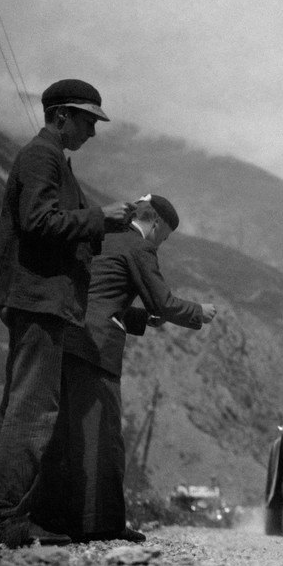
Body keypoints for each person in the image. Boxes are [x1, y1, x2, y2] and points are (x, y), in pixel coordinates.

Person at [0, 79, 133, 547]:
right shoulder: (42, 156)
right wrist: (100, 219)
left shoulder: (51, 158)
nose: (92, 130)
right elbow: (38, 221)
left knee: (23, 406)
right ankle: (4, 520)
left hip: (43, 301)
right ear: (62, 115)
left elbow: (49, 222)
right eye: (89, 120)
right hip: (39, 300)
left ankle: (7, 515)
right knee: (33, 409)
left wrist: (97, 227)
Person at [40, 194, 216, 543]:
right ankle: (101, 525)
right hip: (96, 348)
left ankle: (56, 519)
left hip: (68, 337)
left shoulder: (105, 238)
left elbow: (100, 295)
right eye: (163, 237)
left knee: (67, 435)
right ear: (156, 224)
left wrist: (138, 317)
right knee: (102, 438)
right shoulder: (140, 247)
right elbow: (163, 302)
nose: (160, 244)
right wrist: (200, 312)